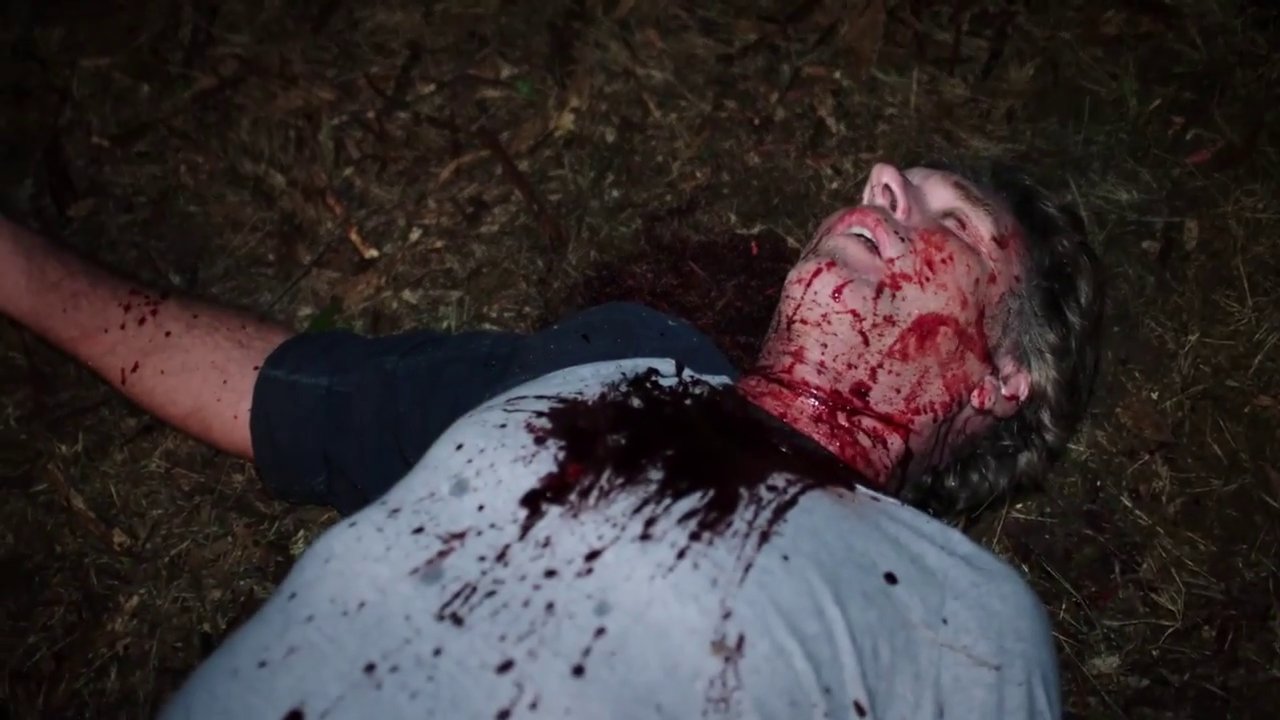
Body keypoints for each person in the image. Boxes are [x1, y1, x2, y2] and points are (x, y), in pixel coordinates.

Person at [0, 161, 1104, 719]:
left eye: (951, 220)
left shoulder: (962, 619)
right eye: (892, 182)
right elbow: (282, 391)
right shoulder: (611, 365)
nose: (881, 185)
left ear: (1007, 381)